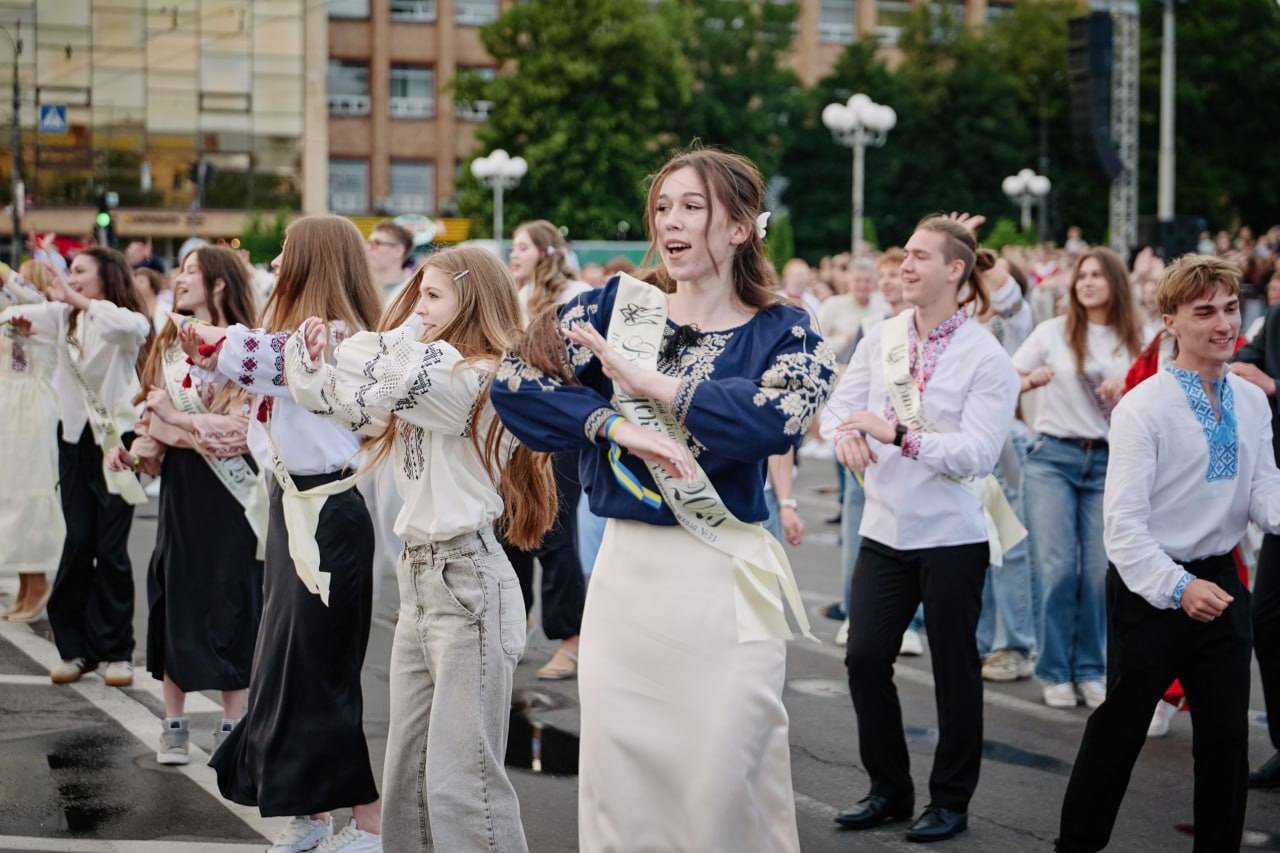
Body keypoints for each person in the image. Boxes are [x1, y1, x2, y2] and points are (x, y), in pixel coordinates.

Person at [491, 148, 835, 852]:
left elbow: (775, 418)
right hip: (630, 577)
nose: (671, 222)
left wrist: (655, 385)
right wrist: (609, 421)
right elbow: (514, 377)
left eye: (692, 206)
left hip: (727, 578)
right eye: (663, 206)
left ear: (740, 226)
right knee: (628, 776)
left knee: (724, 767)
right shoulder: (613, 306)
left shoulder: (786, 328)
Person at [286, 246, 556, 853]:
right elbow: (343, 400)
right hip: (423, 576)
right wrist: (309, 361)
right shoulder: (432, 371)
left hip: (466, 578)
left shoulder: (475, 376)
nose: (419, 308)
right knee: (408, 772)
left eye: (433, 296)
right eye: (418, 295)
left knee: (465, 781)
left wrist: (384, 336)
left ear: (473, 298)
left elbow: (387, 369)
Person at [1055, 254, 1280, 853]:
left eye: (1231, 308)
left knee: (1227, 741)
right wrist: (1179, 588)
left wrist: (1209, 583)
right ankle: (1075, 845)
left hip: (1221, 580)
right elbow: (1123, 530)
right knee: (1120, 731)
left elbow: (1264, 494)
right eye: (1204, 312)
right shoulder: (1144, 407)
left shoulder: (1253, 402)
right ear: (1170, 321)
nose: (1223, 323)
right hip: (1149, 582)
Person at [183, 216, 383, 853]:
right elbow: (216, 381)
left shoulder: (343, 341)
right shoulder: (297, 338)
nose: (275, 263)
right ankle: (312, 812)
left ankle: (369, 823)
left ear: (313, 262)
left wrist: (211, 342)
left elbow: (264, 361)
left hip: (328, 513)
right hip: (290, 505)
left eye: (286, 253)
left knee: (322, 669)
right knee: (283, 668)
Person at [821, 215, 1020, 843]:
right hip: (886, 529)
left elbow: (979, 454)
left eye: (918, 257)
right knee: (864, 656)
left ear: (954, 271)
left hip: (953, 535)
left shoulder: (986, 354)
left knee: (954, 669)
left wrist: (901, 436)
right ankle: (889, 788)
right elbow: (836, 407)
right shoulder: (882, 335)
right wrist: (847, 434)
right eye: (904, 256)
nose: (904, 266)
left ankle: (951, 800)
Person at [108, 246, 266, 766]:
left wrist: (175, 423)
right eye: (181, 270)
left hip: (231, 493)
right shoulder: (169, 342)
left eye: (192, 271)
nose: (180, 279)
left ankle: (232, 722)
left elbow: (241, 435)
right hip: (182, 490)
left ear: (220, 283)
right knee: (175, 593)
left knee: (232, 598)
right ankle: (172, 723)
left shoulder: (247, 348)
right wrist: (136, 452)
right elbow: (154, 416)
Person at [0, 248, 152, 686]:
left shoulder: (117, 318)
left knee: (111, 550)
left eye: (81, 271)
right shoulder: (61, 315)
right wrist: (23, 324)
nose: (73, 279)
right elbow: (18, 312)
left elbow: (133, 327)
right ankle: (75, 648)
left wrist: (79, 300)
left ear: (106, 276)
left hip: (117, 444)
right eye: (71, 272)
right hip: (74, 442)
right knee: (79, 542)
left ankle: (117, 652)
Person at [1013, 247, 1144, 709]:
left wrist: (1128, 388)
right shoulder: (1053, 332)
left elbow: (1160, 389)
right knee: (1057, 569)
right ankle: (1053, 668)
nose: (1087, 282)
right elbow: (1008, 373)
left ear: (1115, 282)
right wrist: (1030, 380)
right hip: (1053, 458)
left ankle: (1090, 666)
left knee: (1097, 574)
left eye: (1097, 275)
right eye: (1081, 275)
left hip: (1110, 462)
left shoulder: (1135, 337)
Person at [504, 219, 591, 679]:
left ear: (546, 252)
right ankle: (515, 625)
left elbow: (577, 363)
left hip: (559, 428)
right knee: (511, 529)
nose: (514, 254)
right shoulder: (516, 297)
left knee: (555, 534)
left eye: (522, 247)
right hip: (516, 430)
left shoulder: (573, 294)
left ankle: (571, 639)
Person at [1231, 287, 1280, 786]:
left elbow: (1264, 379)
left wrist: (1275, 386)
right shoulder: (1277, 318)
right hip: (1279, 493)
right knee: (1266, 619)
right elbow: (1244, 358)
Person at [0, 261, 64, 622]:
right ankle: (25, 581)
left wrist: (8, 273)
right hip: (7, 411)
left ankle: (39, 579)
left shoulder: (46, 315)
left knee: (30, 493)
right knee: (10, 498)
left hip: (33, 410)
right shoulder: (9, 316)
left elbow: (35, 298)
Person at [366, 219, 415, 303]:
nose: (368, 248)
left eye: (376, 243)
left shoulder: (414, 290)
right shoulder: (359, 286)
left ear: (398, 250)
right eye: (368, 243)